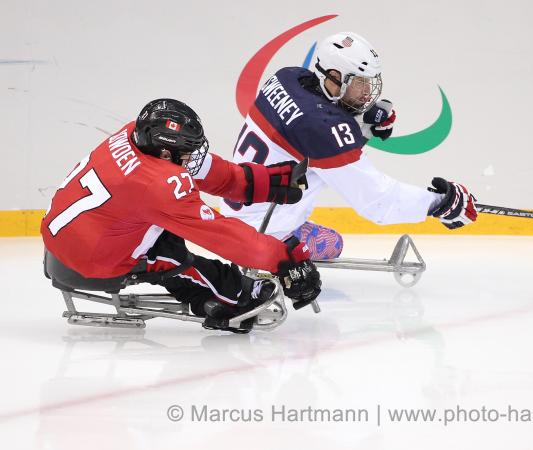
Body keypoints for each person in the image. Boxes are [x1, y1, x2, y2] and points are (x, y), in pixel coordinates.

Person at [41, 98, 321, 333]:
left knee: (164, 227)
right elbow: (224, 236)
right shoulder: (157, 185)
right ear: (165, 151)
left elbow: (206, 172)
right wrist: (284, 260)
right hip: (91, 262)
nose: (192, 157)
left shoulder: (133, 135)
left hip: (75, 236)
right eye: (187, 152)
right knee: (173, 258)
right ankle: (233, 296)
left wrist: (261, 181)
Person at [221, 32, 478, 260]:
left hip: (238, 214)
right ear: (334, 77)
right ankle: (272, 252)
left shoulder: (288, 76)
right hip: (261, 233)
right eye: (359, 82)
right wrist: (439, 203)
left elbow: (308, 124)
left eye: (369, 82)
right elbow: (377, 201)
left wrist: (359, 123)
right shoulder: (323, 129)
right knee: (333, 243)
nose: (367, 92)